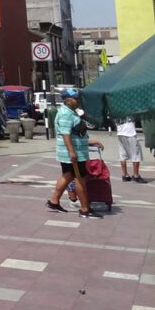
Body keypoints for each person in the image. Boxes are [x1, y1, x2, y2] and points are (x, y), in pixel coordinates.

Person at [46, 88, 104, 219]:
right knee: (80, 179)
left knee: (67, 176)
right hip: (73, 153)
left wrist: (90, 142)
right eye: (75, 98)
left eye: (78, 98)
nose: (78, 100)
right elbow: (66, 135)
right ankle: (85, 209)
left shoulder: (71, 112)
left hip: (72, 151)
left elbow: (75, 133)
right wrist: (72, 152)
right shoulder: (66, 114)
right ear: (67, 100)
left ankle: (54, 201)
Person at [117, 116, 146, 183]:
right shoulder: (128, 107)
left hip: (120, 132)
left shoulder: (116, 108)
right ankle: (136, 175)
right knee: (136, 154)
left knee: (123, 154)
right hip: (130, 132)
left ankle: (125, 175)